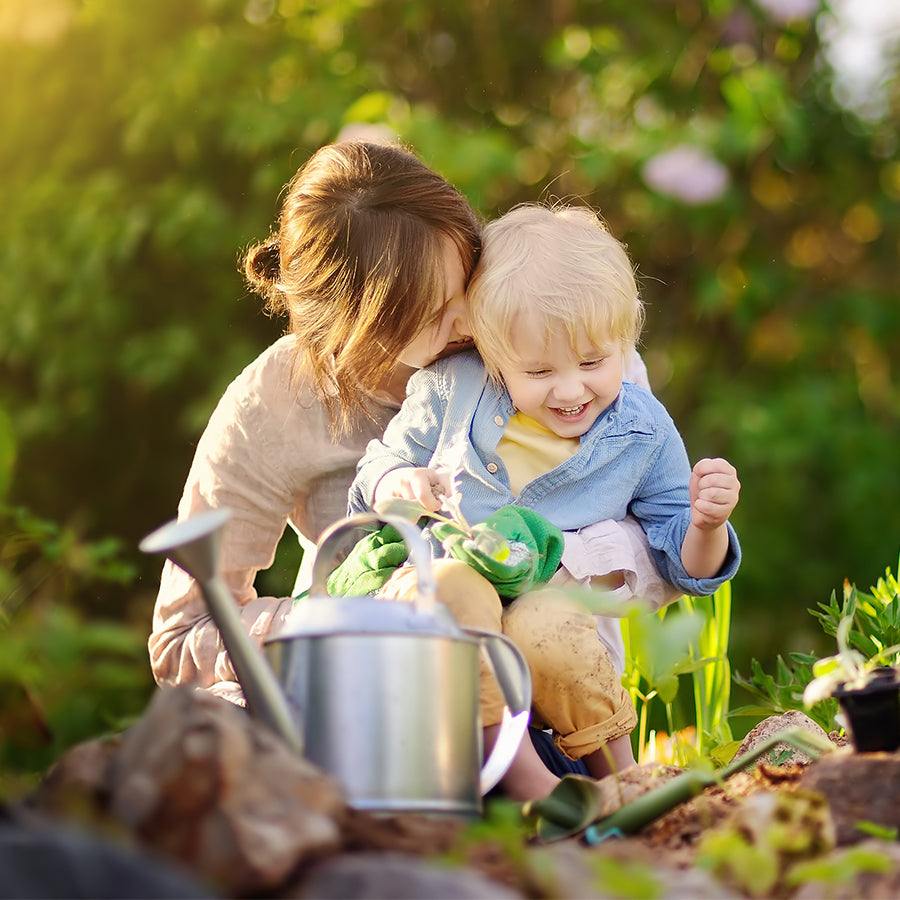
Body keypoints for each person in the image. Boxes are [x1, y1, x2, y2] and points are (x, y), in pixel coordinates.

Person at [148, 140, 658, 786]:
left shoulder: (545, 321)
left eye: (467, 276)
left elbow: (664, 527)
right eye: (434, 313)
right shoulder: (276, 400)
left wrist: (556, 569)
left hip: (551, 710)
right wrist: (343, 620)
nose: (473, 319)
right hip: (384, 708)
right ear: (358, 326)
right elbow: (182, 633)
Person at [348, 203, 742, 798]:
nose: (569, 389)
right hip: (444, 596)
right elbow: (377, 464)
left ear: (624, 341)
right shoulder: (454, 389)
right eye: (539, 370)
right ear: (493, 356)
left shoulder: (641, 432)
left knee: (548, 618)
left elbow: (681, 563)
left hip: (546, 611)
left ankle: (623, 780)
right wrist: (394, 483)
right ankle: (517, 776)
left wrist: (707, 525)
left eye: (591, 362)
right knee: (453, 586)